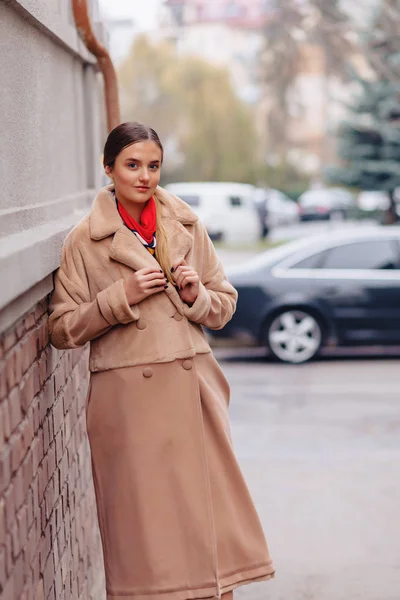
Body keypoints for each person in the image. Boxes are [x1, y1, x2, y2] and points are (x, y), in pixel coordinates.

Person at [48, 121, 275, 600]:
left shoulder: (186, 224)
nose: (144, 176)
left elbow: (224, 303)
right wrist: (118, 298)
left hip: (193, 394)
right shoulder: (84, 241)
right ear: (108, 169)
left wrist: (197, 296)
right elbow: (62, 329)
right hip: (130, 402)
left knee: (207, 535)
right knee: (149, 541)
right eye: (132, 165)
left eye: (153, 166)